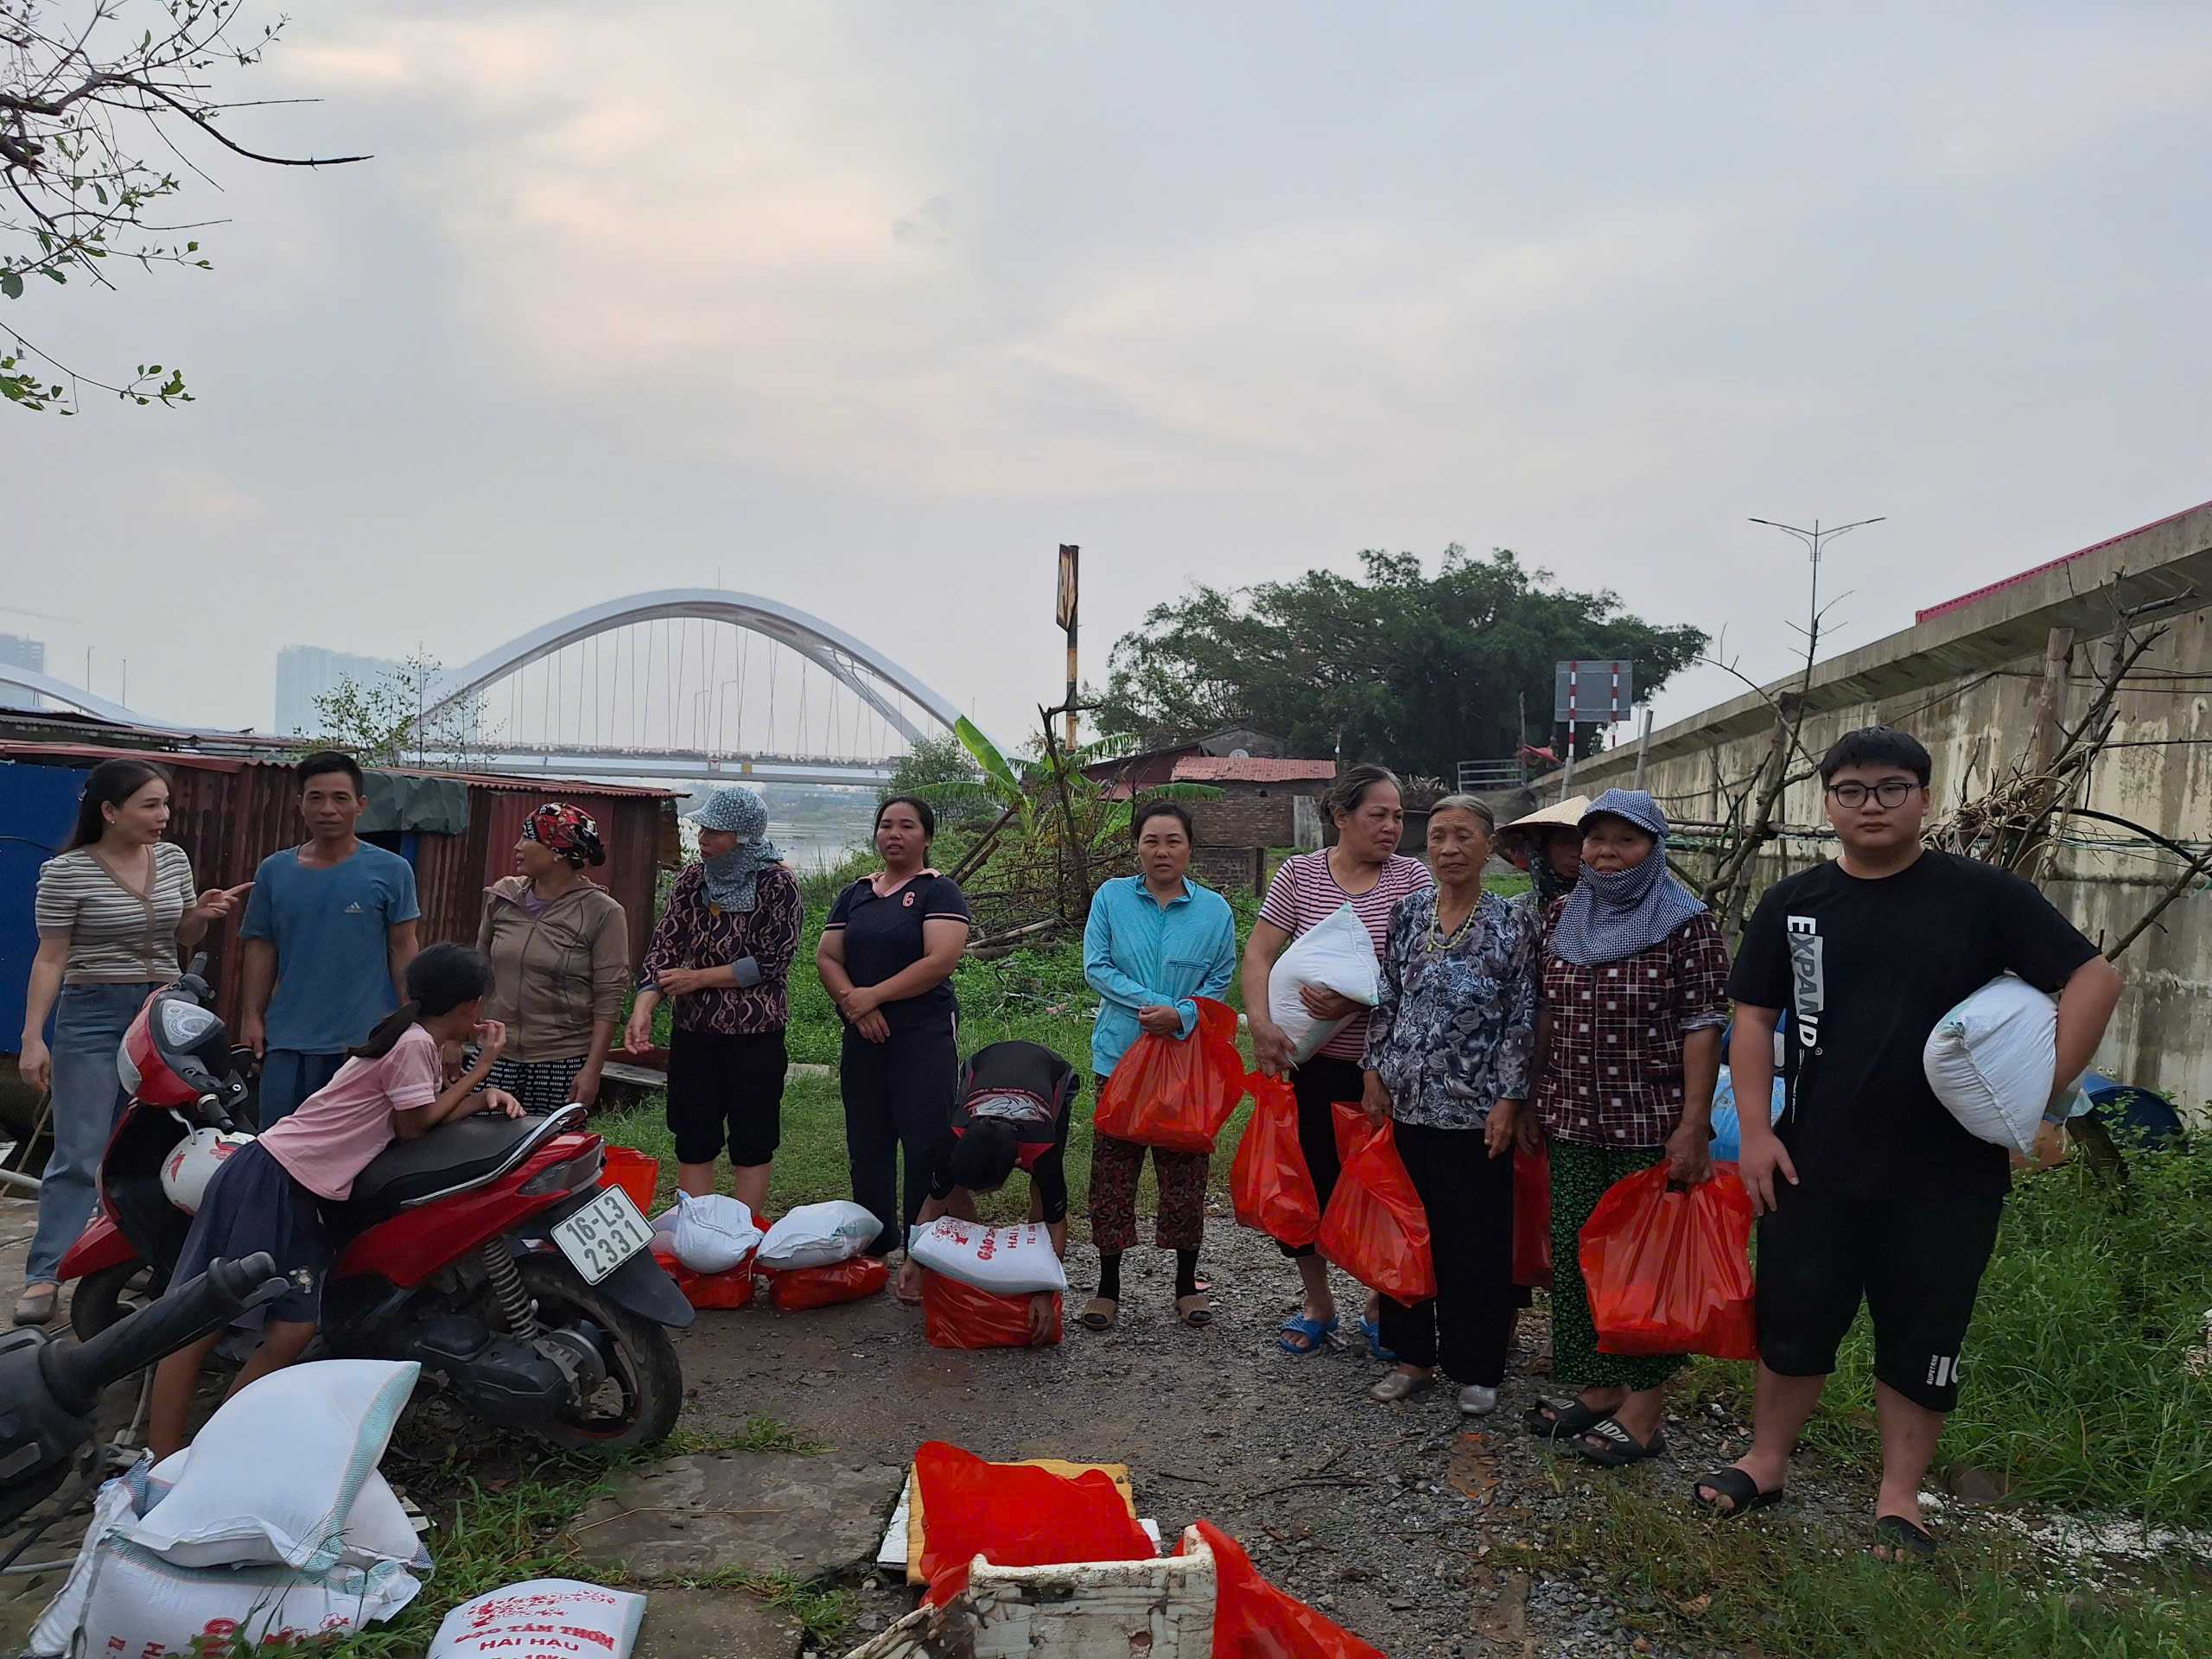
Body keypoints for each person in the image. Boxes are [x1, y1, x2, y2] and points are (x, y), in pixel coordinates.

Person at [1699, 728, 2120, 1557]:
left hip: (1947, 1172)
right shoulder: (1796, 904)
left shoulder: (1982, 896)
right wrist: (1753, 1132)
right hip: (1810, 1158)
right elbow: (1751, 1020)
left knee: (1924, 1334)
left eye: (1892, 788)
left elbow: (2094, 977)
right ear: (1828, 804)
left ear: (1925, 799)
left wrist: (2042, 1104)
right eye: (1851, 790)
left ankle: (1901, 1497)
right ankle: (1767, 1459)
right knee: (1793, 1323)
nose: (1871, 806)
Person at [147, 944, 525, 1459]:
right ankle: (165, 1461)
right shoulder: (413, 1043)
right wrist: (483, 1075)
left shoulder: (419, 1041)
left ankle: (215, 1448)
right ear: (469, 1006)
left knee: (294, 1329)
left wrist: (476, 1093)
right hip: (272, 1177)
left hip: (302, 1188)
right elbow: (413, 1126)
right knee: (202, 1320)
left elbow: (415, 1114)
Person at [1523, 789, 1731, 1465]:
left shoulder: (1686, 922)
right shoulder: (1563, 913)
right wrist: (1531, 1095)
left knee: (1644, 1268)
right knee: (1580, 1252)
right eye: (1596, 840)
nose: (1607, 855)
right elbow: (1549, 1012)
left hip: (1649, 1122)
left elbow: (1703, 1025)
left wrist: (1693, 1125)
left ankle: (1645, 1411)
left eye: (1625, 841)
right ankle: (1601, 1385)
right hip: (1573, 1114)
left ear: (1654, 848)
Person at [15, 760, 250, 1327]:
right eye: (150, 805)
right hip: (93, 1015)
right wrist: (31, 1038)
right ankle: (45, 1274)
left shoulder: (172, 860)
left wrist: (202, 914)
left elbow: (183, 934)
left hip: (165, 1014)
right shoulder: (66, 873)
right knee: (82, 1150)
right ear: (110, 811)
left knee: (161, 1142)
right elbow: (50, 958)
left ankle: (140, 1254)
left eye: (165, 803)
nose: (163, 816)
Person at [1242, 764, 1433, 1357]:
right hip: (1305, 1064)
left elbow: (1421, 973)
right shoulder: (1299, 874)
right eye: (1378, 814)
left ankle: (1378, 1302)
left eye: (1398, 816)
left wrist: (1354, 999)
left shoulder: (1413, 879)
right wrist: (1264, 1028)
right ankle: (1318, 1302)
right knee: (1306, 1184)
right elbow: (1258, 952)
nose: (1391, 827)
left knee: (1382, 1188)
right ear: (1341, 817)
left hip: (1385, 1069)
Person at [1359, 796, 1540, 1414]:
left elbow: (1522, 1018)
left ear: (1489, 847)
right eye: (1438, 836)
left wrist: (1512, 1097)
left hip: (1475, 1112)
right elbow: (1387, 998)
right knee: (1408, 1236)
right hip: (1406, 1103)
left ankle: (1477, 1366)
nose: (1449, 848)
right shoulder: (1408, 912)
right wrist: (1374, 1071)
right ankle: (1413, 1358)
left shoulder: (1513, 923)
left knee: (1476, 1243)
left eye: (1464, 836)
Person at [1079, 799, 1238, 1332]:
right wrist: (1154, 1005)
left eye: (1173, 841)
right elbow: (1096, 966)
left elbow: (1219, 979)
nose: (1162, 851)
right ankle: (1108, 1287)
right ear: (1137, 846)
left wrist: (1184, 1015)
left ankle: (1185, 1284)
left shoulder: (1215, 911)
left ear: (1190, 848)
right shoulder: (1111, 898)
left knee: (1185, 1172)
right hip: (1119, 1057)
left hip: (1186, 1061)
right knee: (1114, 1171)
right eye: (1151, 840)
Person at [625, 786, 802, 1212]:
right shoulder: (692, 878)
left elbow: (772, 960)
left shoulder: (779, 884)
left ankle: (743, 1235)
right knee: (694, 1133)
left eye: (715, 831)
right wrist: (644, 1005)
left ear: (743, 836)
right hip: (695, 1032)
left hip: (755, 1033)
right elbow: (665, 945)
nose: (702, 838)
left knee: (752, 1136)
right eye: (702, 828)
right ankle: (697, 1229)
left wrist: (699, 978)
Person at [816, 796, 973, 1261]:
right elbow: (827, 956)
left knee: (925, 1140)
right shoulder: (856, 893)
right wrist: (855, 1006)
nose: (894, 834)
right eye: (886, 825)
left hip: (923, 1034)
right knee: (868, 1142)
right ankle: (875, 1243)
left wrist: (874, 995)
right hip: (862, 1034)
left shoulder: (938, 891)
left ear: (926, 836)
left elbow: (940, 960)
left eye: (907, 826)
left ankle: (924, 1252)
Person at [238, 752, 421, 1128]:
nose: (328, 809)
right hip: (287, 1038)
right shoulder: (274, 871)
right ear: (299, 805)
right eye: (316, 797)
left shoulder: (392, 870)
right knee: (277, 1146)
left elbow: (403, 947)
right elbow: (261, 945)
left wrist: (413, 1021)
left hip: (363, 1042)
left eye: (340, 798)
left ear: (361, 806)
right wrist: (251, 1017)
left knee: (354, 1155)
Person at [898, 1039, 1079, 1338]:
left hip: (1051, 1070)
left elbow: (1056, 1222)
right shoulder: (955, 1136)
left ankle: (1033, 1260)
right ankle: (975, 1256)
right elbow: (933, 1203)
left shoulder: (1041, 1148)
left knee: (1042, 1191)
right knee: (950, 1186)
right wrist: (912, 1260)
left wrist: (1044, 1290)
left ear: (1018, 1162)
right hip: (983, 1065)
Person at [478, 803, 629, 1113]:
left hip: (561, 1061)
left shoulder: (603, 912)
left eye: (527, 838)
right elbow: (475, 972)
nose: (517, 847)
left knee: (550, 1155)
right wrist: (454, 1041)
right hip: (495, 1054)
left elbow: (608, 998)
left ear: (558, 851)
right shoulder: (502, 897)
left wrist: (592, 1070)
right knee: (482, 1149)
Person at [1496, 795, 1591, 920]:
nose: (1576, 853)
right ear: (1544, 848)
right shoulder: (1513, 912)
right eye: (1564, 842)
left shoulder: (1613, 912)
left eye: (1583, 844)